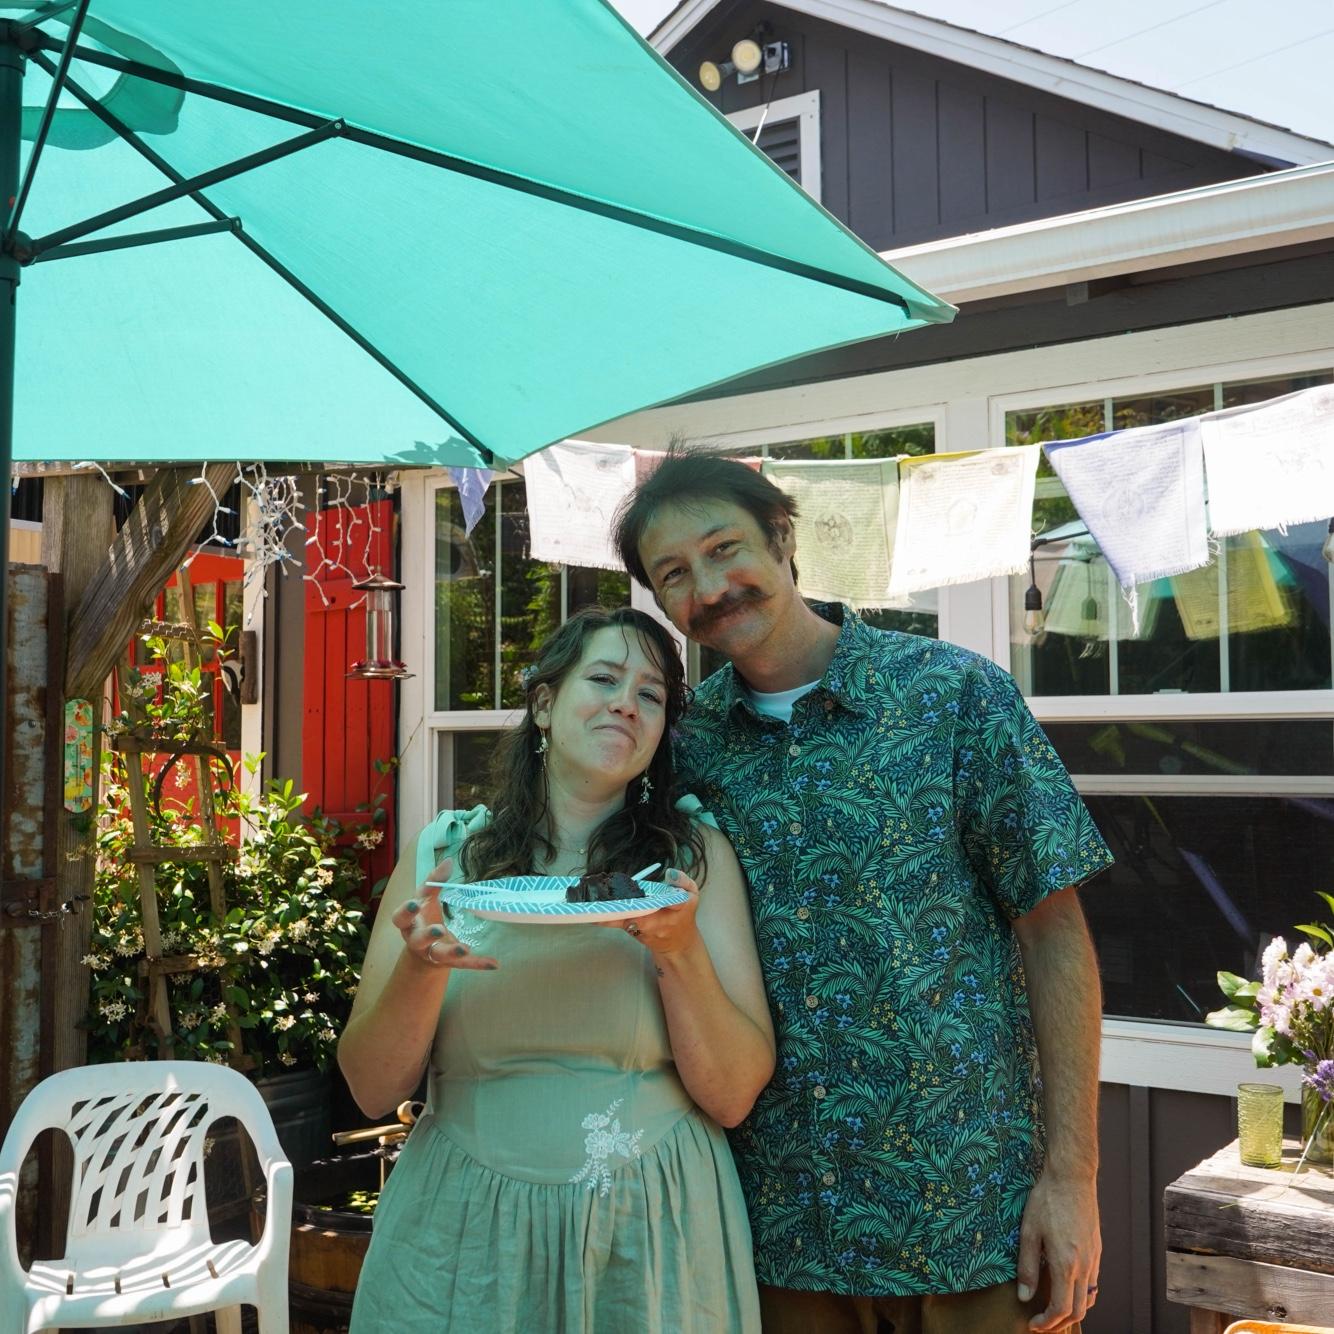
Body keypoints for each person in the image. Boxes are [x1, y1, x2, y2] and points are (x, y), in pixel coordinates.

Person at [613, 450, 1114, 1334]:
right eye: (675, 574)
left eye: (725, 548)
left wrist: (1071, 1179)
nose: (711, 587)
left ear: (781, 536)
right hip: (778, 1233)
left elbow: (1054, 933)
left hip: (973, 1217)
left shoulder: (953, 696)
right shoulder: (684, 749)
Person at [339, 606, 774, 1334]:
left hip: (649, 1227)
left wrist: (679, 948)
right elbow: (372, 1087)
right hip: (462, 1233)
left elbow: (732, 1095)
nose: (624, 705)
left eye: (650, 695)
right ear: (543, 703)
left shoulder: (692, 864)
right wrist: (421, 969)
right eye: (602, 679)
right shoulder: (445, 861)